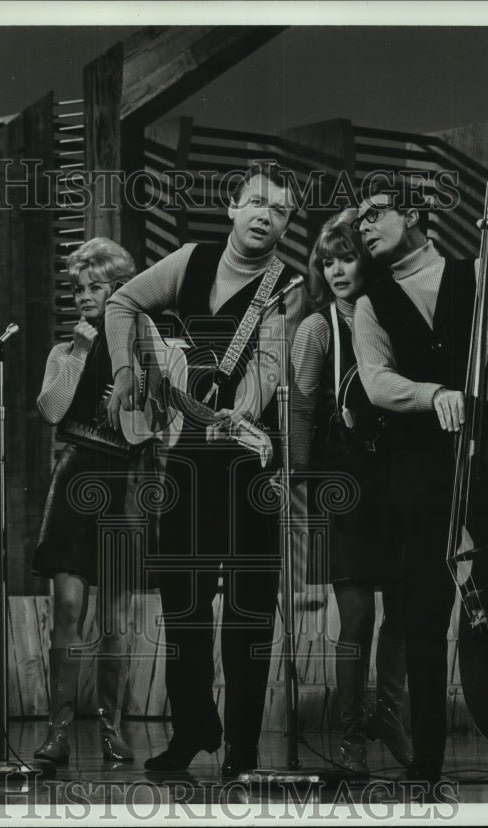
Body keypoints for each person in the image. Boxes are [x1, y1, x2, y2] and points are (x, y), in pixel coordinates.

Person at [350, 178, 488, 787]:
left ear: (416, 213)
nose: (363, 227)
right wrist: (433, 394)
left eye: (375, 213)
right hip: (418, 470)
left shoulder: (476, 273)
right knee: (422, 614)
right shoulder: (371, 301)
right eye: (359, 220)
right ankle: (426, 760)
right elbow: (375, 381)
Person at [104, 161, 305, 777]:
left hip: (248, 465)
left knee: (249, 612)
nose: (265, 215)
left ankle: (242, 749)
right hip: (186, 463)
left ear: (286, 224)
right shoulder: (190, 260)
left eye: (280, 210)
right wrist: (127, 372)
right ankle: (192, 730)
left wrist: (215, 406)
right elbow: (121, 301)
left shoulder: (286, 287)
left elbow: (267, 375)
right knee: (182, 607)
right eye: (255, 202)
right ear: (232, 207)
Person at [290, 210, 411, 776]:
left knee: (409, 608)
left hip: (399, 477)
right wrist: (300, 480)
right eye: (328, 261)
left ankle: (390, 713)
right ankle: (350, 732)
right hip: (346, 482)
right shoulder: (318, 329)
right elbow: (302, 411)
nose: (337, 269)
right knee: (357, 615)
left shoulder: (394, 317)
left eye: (347, 257)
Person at [31, 237, 142, 765]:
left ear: (119, 289)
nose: (84, 296)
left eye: (96, 286)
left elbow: (158, 421)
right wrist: (77, 353)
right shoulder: (63, 350)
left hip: (124, 483)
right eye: (78, 288)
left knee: (115, 615)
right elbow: (52, 412)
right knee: (69, 607)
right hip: (75, 478)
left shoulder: (142, 349)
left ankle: (110, 728)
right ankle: (59, 731)